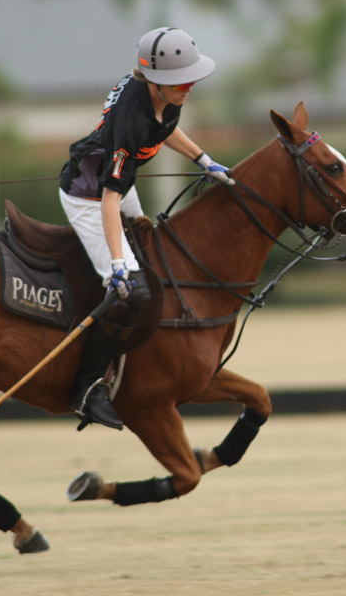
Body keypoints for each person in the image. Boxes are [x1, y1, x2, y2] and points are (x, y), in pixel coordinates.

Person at [59, 27, 235, 430]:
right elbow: (109, 200)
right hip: (89, 195)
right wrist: (117, 262)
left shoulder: (165, 97)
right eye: (178, 81)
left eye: (189, 77)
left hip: (119, 182)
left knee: (157, 253)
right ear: (154, 80)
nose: (187, 86)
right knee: (129, 289)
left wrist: (204, 160)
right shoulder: (129, 124)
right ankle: (86, 387)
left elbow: (166, 127)